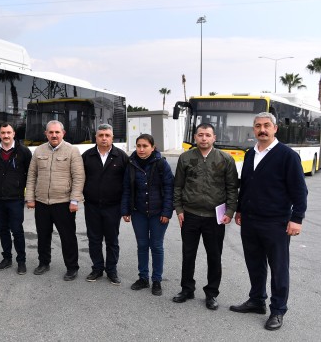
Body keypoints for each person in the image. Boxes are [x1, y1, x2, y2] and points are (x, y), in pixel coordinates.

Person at [230, 112, 307, 331]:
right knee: (254, 263)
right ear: (253, 130)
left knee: (279, 268)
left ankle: (278, 310)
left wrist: (297, 218)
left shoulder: (287, 155)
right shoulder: (249, 154)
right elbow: (246, 185)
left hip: (276, 222)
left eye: (266, 125)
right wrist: (241, 210)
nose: (262, 129)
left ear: (275, 129)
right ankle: (256, 300)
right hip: (251, 221)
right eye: (257, 126)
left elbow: (300, 190)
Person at [172, 123, 238, 310]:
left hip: (214, 217)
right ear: (195, 137)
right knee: (188, 254)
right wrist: (179, 209)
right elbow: (178, 186)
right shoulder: (185, 158)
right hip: (190, 215)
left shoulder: (225, 159)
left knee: (214, 256)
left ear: (214, 138)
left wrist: (230, 211)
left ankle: (211, 293)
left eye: (207, 135)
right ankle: (187, 289)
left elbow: (232, 188)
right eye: (200, 135)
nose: (204, 138)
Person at [26, 120, 85, 281]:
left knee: (68, 237)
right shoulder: (38, 151)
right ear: (46, 134)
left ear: (63, 133)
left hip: (64, 202)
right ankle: (44, 263)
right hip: (42, 203)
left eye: (57, 132)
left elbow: (79, 177)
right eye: (50, 132)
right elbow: (32, 176)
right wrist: (30, 198)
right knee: (43, 235)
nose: (54, 135)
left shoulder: (72, 151)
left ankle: (72, 267)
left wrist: (74, 200)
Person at [121, 134, 174, 296]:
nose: (141, 149)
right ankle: (143, 278)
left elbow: (169, 189)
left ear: (153, 147)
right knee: (142, 246)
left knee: (156, 246)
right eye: (138, 146)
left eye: (145, 146)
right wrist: (126, 210)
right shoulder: (131, 164)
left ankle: (156, 280)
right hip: (139, 213)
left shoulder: (161, 164)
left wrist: (167, 212)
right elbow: (127, 189)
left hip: (158, 214)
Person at [82, 124, 129, 284]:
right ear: (96, 137)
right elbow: (80, 179)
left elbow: (127, 184)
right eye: (101, 135)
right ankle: (97, 269)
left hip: (113, 207)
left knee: (112, 240)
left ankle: (111, 270)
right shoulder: (87, 156)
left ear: (112, 137)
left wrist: (125, 207)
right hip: (92, 206)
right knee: (94, 239)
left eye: (107, 135)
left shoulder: (121, 156)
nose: (104, 138)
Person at [0, 122, 32, 274]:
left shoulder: (24, 152)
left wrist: (29, 196)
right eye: (3, 133)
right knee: (3, 230)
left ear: (14, 133)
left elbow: (31, 175)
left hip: (16, 198)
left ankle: (21, 261)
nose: (6, 135)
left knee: (17, 231)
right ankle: (7, 258)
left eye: (8, 132)